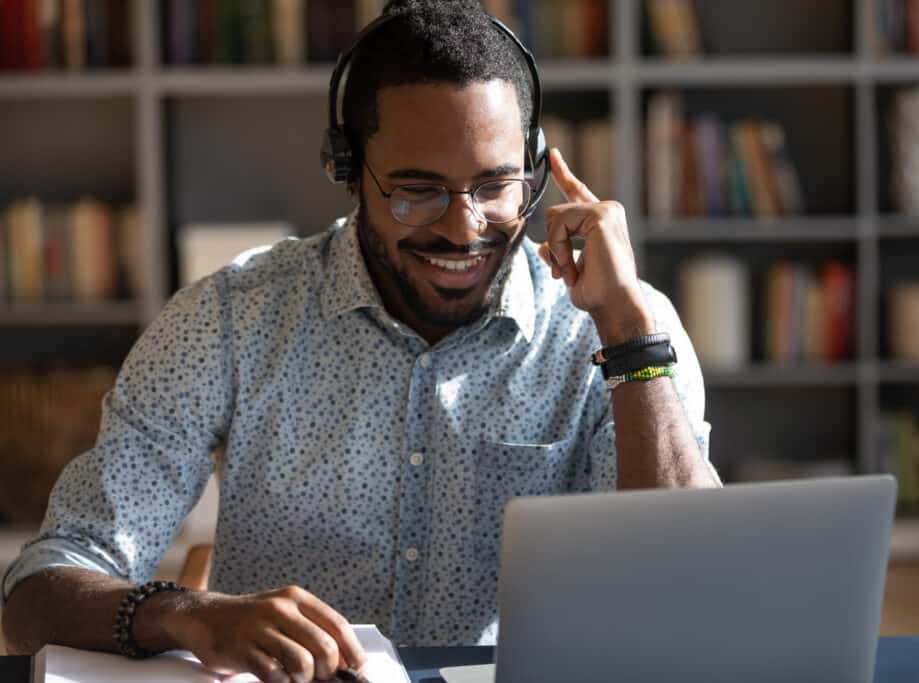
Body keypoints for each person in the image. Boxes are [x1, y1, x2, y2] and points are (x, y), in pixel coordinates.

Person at [1, 1, 720, 681]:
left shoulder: (620, 328)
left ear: (535, 169)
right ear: (346, 169)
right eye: (419, 189)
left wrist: (629, 334)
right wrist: (187, 615)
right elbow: (36, 592)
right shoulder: (230, 320)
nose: (463, 228)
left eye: (496, 185)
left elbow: (696, 594)